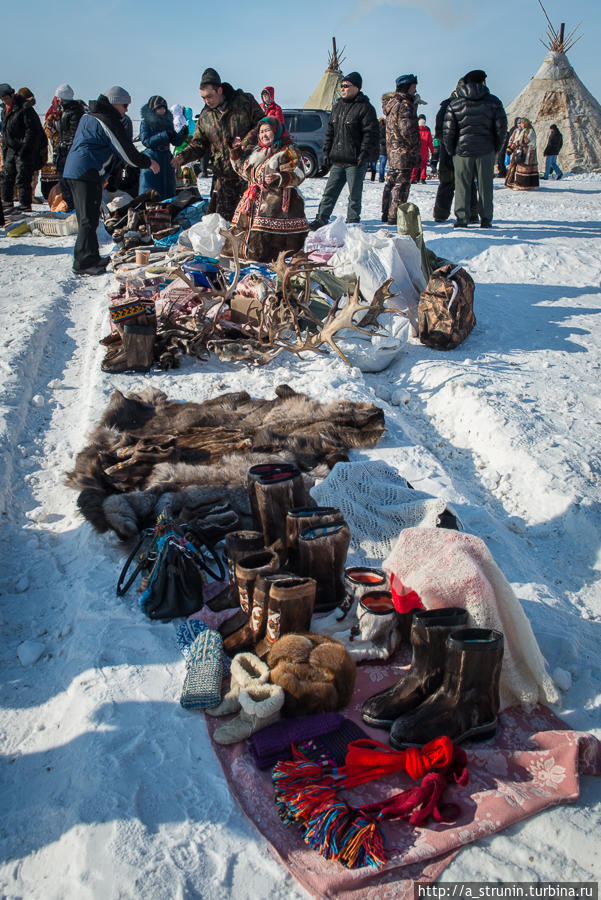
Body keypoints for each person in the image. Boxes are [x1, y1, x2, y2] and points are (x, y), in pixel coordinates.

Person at [64, 86, 158, 276]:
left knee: (89, 217)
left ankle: (90, 257)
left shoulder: (91, 116)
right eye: (125, 105)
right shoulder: (105, 120)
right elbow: (126, 152)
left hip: (78, 171)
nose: (126, 110)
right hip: (85, 172)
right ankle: (83, 263)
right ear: (115, 103)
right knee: (87, 220)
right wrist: (148, 163)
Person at [172, 68, 263, 222]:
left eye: (209, 96)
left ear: (219, 90)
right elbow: (199, 144)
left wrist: (246, 142)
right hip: (223, 176)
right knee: (221, 223)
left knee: (249, 220)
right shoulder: (206, 116)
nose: (207, 101)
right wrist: (183, 157)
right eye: (203, 98)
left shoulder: (244, 102)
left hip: (248, 173)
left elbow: (262, 125)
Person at [225, 116, 308, 262]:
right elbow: (242, 170)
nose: (264, 135)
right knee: (242, 233)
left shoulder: (288, 150)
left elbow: (299, 173)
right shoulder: (257, 152)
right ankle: (242, 257)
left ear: (276, 131)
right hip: (252, 200)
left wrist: (280, 177)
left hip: (278, 203)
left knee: (268, 246)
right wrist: (236, 152)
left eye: (267, 130)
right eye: (261, 132)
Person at [309, 71, 378, 229]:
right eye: (342, 86)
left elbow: (371, 134)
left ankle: (353, 221)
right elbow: (330, 132)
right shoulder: (338, 106)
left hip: (355, 161)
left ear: (357, 88)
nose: (343, 88)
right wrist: (327, 152)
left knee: (354, 195)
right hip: (338, 160)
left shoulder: (365, 108)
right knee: (329, 193)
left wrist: (364, 154)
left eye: (346, 86)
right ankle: (321, 219)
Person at [442, 68, 507, 228]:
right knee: (485, 186)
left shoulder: (455, 103)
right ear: (483, 82)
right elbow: (501, 128)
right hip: (486, 150)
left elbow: (448, 130)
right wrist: (496, 148)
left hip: (462, 151)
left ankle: (462, 218)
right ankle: (486, 218)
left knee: (462, 185)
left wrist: (451, 150)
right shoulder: (494, 102)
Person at [432, 82, 479, 223]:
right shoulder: (447, 105)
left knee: (468, 182)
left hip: (465, 150)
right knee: (447, 182)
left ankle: (471, 214)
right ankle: (441, 213)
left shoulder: (471, 105)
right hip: (448, 151)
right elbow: (439, 129)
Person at [381, 74, 420, 225]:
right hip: (404, 152)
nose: (415, 90)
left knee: (391, 182)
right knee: (401, 185)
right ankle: (394, 215)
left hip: (393, 151)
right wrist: (415, 143)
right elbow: (407, 129)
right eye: (414, 87)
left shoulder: (392, 104)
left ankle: (386, 212)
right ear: (407, 87)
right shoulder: (405, 105)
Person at [1, 85, 46, 212]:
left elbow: (32, 130)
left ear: (12, 95)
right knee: (7, 176)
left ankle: (25, 204)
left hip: (23, 149)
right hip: (10, 148)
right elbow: (5, 131)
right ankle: (7, 202)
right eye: (2, 99)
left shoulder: (24, 108)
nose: (4, 101)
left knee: (23, 177)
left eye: (6, 98)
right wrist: (5, 148)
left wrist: (26, 146)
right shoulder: (4, 110)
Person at [138, 95, 186, 200]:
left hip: (166, 160)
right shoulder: (145, 122)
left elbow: (175, 142)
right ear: (153, 109)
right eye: (159, 108)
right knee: (151, 194)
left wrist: (182, 134)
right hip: (152, 158)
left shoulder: (168, 123)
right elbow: (146, 141)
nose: (162, 110)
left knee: (168, 193)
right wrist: (164, 135)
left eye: (164, 108)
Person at [54, 84, 85, 210]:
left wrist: (68, 148)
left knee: (69, 182)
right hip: (63, 150)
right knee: (64, 182)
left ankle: (73, 207)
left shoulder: (74, 111)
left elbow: (74, 133)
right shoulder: (63, 110)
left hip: (69, 151)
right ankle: (69, 205)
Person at [505, 118, 539, 191]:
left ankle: (523, 185)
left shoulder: (530, 131)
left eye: (522, 123)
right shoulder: (522, 131)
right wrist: (511, 147)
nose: (521, 125)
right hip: (522, 152)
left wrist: (516, 145)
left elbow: (525, 141)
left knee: (524, 169)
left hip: (527, 153)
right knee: (519, 168)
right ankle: (516, 183)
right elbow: (515, 140)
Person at [412, 114, 433, 183]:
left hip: (416, 151)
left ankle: (413, 178)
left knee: (415, 166)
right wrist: (433, 152)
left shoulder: (415, 131)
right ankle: (422, 178)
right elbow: (430, 143)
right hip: (424, 152)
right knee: (423, 166)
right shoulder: (427, 132)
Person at [377, 116, 387, 182]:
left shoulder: (378, 129)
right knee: (382, 165)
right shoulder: (384, 129)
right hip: (384, 150)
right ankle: (381, 178)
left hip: (381, 150)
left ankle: (381, 177)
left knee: (381, 165)